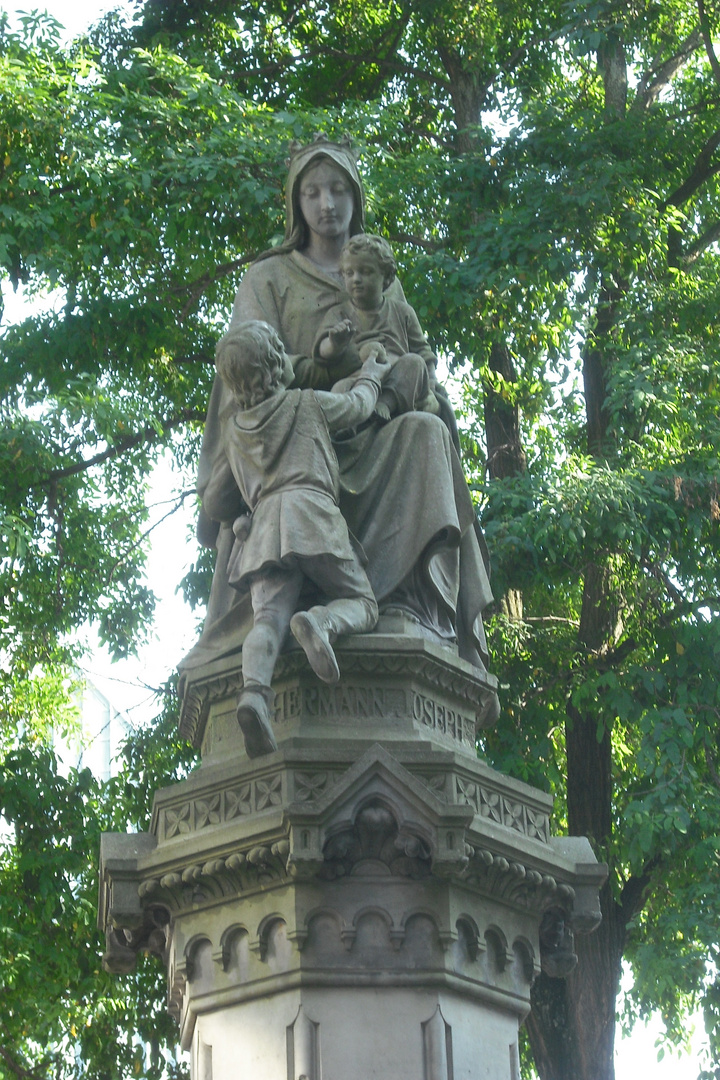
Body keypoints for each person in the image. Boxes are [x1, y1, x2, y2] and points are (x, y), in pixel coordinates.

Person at [184, 134, 498, 723]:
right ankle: (335, 613)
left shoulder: (380, 273)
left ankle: (407, 601)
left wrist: (414, 379)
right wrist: (326, 365)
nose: (326, 204)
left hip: (372, 430)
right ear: (296, 205)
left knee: (428, 432)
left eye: (336, 190)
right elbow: (246, 366)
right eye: (312, 192)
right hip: (301, 431)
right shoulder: (269, 278)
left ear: (354, 197)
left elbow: (414, 352)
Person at [214, 319, 387, 757]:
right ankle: (322, 622)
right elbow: (358, 407)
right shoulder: (307, 402)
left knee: (267, 620)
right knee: (363, 602)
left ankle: (254, 693)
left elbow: (225, 498)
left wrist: (238, 515)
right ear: (276, 364)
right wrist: (372, 372)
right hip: (312, 516)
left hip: (265, 528)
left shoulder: (233, 433)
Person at [315, 233, 440, 421]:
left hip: (396, 375)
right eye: (349, 273)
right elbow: (322, 352)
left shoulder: (402, 312)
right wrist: (334, 343)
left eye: (365, 272)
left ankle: (386, 403)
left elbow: (423, 352)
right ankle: (349, 430)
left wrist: (431, 387)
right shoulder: (338, 313)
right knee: (338, 389)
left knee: (414, 363)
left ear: (386, 276)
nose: (356, 279)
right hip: (359, 379)